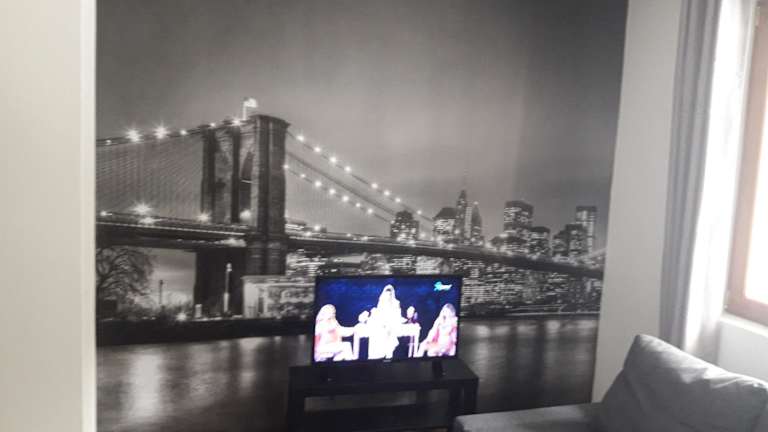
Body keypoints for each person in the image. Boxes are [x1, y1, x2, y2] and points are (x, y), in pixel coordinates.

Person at [367, 284, 405, 359]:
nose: (388, 296)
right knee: (376, 332)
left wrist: (390, 324)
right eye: (387, 294)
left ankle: (388, 356)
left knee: (389, 333)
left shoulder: (396, 303)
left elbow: (397, 316)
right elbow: (378, 315)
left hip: (392, 324)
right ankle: (376, 356)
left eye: (390, 294)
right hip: (381, 325)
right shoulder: (381, 302)